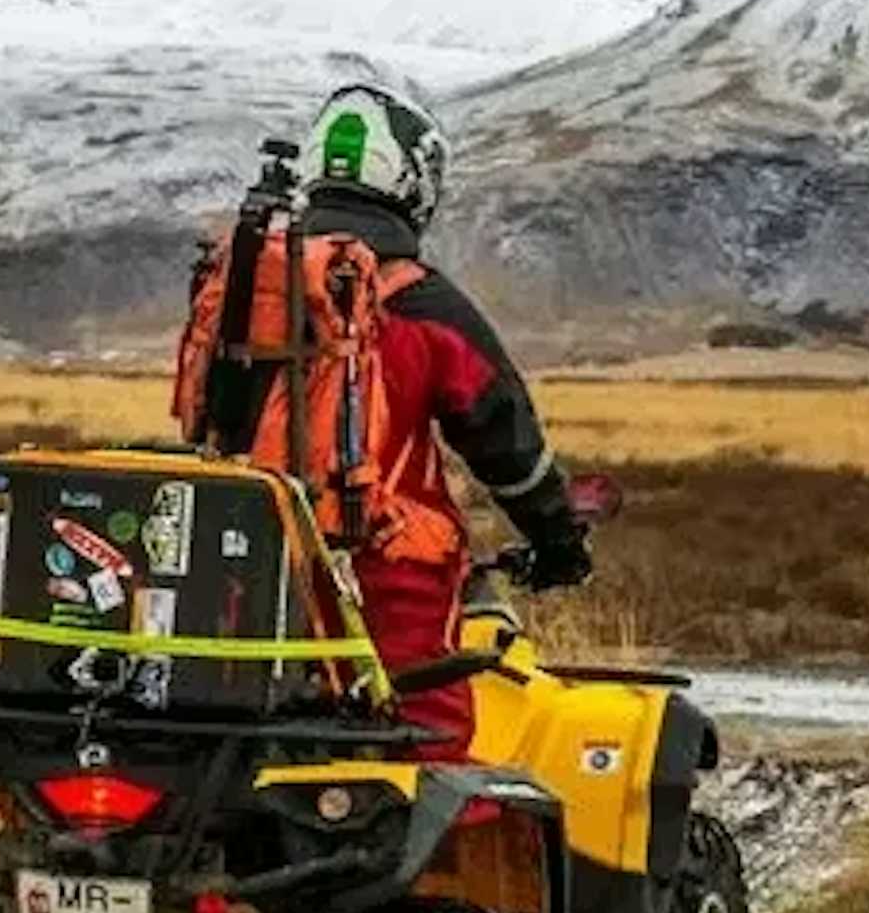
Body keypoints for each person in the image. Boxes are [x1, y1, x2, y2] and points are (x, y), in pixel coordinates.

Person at [176, 77, 590, 751]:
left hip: (233, 555)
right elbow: (505, 438)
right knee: (423, 745)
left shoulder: (245, 281)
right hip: (382, 561)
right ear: (414, 182)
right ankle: (433, 858)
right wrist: (558, 538)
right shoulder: (426, 306)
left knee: (234, 726)